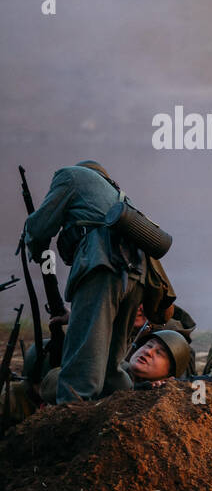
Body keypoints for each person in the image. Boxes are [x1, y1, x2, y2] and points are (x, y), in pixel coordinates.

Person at [22, 161, 151, 403]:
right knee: (112, 365)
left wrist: (32, 240)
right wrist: (76, 315)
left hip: (101, 264)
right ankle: (123, 413)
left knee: (81, 368)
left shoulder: (70, 176)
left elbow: (40, 228)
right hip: (136, 275)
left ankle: (70, 421)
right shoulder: (120, 197)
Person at [39, 328, 191, 403]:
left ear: (169, 375)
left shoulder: (166, 400)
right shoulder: (106, 365)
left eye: (160, 353)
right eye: (148, 345)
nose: (149, 351)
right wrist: (124, 388)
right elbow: (49, 386)